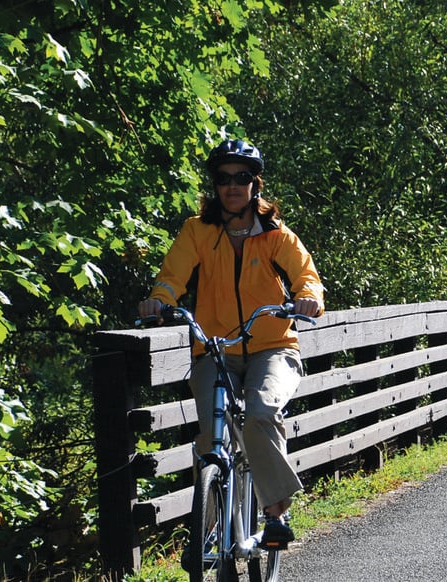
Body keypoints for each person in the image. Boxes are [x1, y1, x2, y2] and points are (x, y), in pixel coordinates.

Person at [137, 138, 325, 549]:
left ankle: (276, 513)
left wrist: (308, 299)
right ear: (215, 186)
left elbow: (306, 277)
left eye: (241, 177)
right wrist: (161, 300)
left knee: (260, 411)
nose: (232, 186)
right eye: (224, 179)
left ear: (255, 184)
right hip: (215, 348)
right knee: (211, 435)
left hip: (273, 346)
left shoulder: (277, 236)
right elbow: (172, 276)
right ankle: (207, 534)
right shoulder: (197, 231)